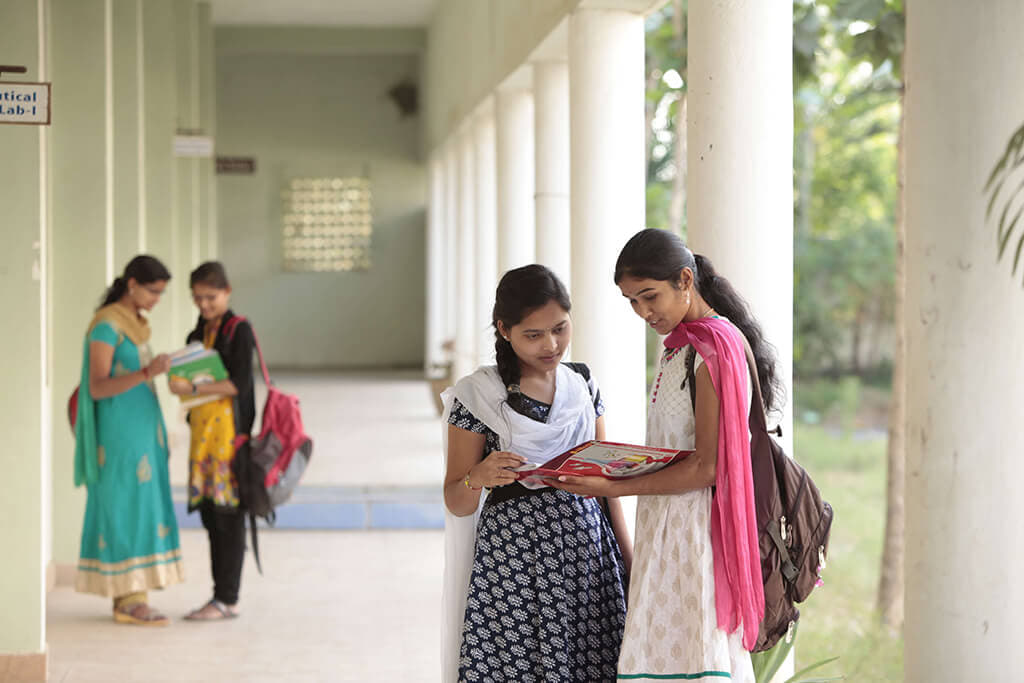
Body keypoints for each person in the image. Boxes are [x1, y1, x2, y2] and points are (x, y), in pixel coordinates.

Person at [552, 229, 783, 681]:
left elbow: (707, 466)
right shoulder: (682, 344)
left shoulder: (714, 348)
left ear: (684, 280)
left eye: (649, 296)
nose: (643, 312)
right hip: (667, 527)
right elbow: (677, 450)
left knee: (692, 663)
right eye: (632, 301)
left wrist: (612, 484)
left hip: (698, 535)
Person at [442, 265, 632, 683]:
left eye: (560, 328)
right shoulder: (479, 396)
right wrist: (479, 475)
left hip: (588, 554)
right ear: (504, 330)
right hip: (514, 562)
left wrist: (627, 558)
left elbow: (607, 483)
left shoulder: (583, 384)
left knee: (594, 664)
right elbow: (455, 499)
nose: (551, 344)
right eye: (534, 335)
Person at [73, 255, 184, 625]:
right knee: (124, 505)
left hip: (142, 432)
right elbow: (99, 386)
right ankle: (129, 599)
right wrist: (146, 372)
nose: (156, 299)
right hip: (118, 435)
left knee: (144, 505)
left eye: (161, 293)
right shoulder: (106, 326)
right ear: (132, 284)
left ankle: (133, 595)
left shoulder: (135, 325)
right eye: (153, 291)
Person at [170, 261, 256, 621]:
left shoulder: (239, 330)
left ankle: (226, 598)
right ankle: (219, 597)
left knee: (227, 517)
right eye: (197, 298)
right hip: (203, 439)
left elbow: (237, 383)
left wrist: (193, 387)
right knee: (210, 514)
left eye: (211, 297)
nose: (204, 305)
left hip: (228, 441)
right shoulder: (199, 331)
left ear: (227, 292)